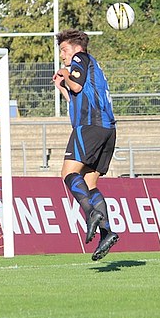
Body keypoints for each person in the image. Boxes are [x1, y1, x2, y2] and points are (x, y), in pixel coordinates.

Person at [52, 29, 119, 261]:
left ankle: (91, 213)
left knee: (68, 173)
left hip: (90, 126)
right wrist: (62, 87)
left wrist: (65, 73)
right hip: (107, 129)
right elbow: (78, 95)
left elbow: (77, 86)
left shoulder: (80, 58)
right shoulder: (94, 66)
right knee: (90, 183)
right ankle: (106, 233)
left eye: (64, 50)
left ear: (77, 48)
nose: (62, 55)